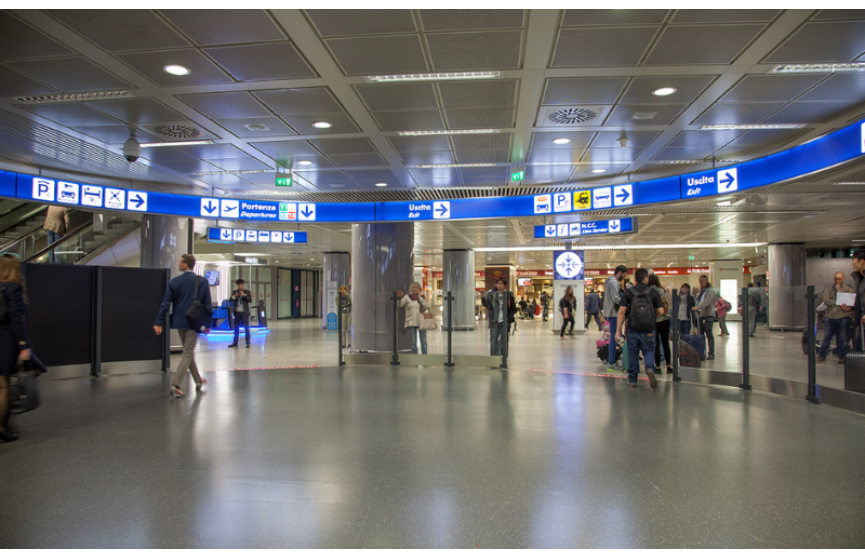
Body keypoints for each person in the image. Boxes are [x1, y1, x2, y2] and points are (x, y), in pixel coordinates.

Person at [154, 254, 212, 398]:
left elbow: (165, 304)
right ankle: (176, 385)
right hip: (194, 322)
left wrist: (158, 322)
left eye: (180, 262)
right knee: (188, 351)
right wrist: (207, 325)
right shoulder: (202, 282)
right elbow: (208, 305)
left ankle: (198, 381)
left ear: (186, 265)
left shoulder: (174, 282)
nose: (179, 264)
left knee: (188, 351)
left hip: (180, 322)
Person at [0, 255, 32, 443]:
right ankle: (2, 427)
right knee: (3, 386)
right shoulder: (14, 288)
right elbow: (17, 320)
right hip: (5, 341)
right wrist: (23, 346)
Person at [616, 268, 665, 388]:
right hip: (648, 328)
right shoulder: (653, 292)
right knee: (648, 350)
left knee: (633, 353)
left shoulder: (629, 292)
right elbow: (661, 311)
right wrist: (653, 317)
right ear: (645, 278)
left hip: (632, 327)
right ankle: (649, 368)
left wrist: (618, 330)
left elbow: (622, 311)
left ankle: (632, 380)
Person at [819, 271, 854, 364]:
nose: (837, 281)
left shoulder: (848, 290)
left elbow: (850, 302)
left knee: (842, 337)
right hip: (830, 318)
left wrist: (840, 296)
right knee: (827, 337)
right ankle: (822, 355)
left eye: (839, 279)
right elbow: (826, 301)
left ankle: (841, 356)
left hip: (843, 317)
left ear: (843, 279)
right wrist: (839, 301)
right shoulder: (829, 290)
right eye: (836, 279)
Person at [604, 265, 628, 371]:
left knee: (614, 338)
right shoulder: (614, 283)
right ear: (620, 272)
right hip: (614, 314)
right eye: (624, 274)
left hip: (611, 313)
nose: (624, 277)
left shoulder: (609, 282)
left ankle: (612, 360)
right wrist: (626, 302)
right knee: (614, 338)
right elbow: (616, 298)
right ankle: (612, 363)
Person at [648, 274, 673, 374]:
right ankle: (669, 367)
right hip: (665, 319)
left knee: (656, 345)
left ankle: (657, 367)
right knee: (665, 344)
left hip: (654, 320)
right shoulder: (661, 290)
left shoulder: (648, 291)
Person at [397, 282, 430, 355]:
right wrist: (399, 298)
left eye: (416, 287)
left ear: (419, 289)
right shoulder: (407, 297)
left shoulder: (422, 297)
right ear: (411, 289)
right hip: (411, 322)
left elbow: (426, 306)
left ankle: (425, 356)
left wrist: (419, 298)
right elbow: (399, 304)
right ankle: (414, 357)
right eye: (413, 287)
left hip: (421, 322)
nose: (415, 289)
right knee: (413, 342)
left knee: (424, 342)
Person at [692, 275, 718, 360]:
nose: (701, 283)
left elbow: (707, 301)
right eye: (700, 281)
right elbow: (699, 301)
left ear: (706, 281)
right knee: (701, 334)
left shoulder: (711, 290)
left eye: (702, 281)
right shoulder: (702, 290)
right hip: (700, 315)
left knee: (709, 333)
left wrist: (698, 307)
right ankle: (701, 352)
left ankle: (711, 353)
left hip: (708, 315)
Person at [487, 278, 516, 356]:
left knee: (503, 342)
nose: (499, 286)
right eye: (497, 284)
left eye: (501, 284)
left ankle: (503, 359)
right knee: (493, 342)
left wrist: (508, 317)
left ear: (505, 285)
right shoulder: (492, 295)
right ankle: (493, 359)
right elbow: (488, 306)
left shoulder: (509, 296)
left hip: (505, 322)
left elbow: (514, 309)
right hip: (494, 321)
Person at [228, 279, 252, 348]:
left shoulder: (247, 292)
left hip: (244, 312)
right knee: (236, 328)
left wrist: (244, 295)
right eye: (238, 285)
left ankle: (248, 343)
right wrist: (234, 296)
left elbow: (250, 300)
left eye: (241, 285)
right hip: (237, 312)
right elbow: (230, 300)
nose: (239, 286)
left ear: (242, 285)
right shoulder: (235, 292)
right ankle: (235, 343)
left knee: (246, 328)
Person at [852, 250, 865, 351]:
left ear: (862, 261)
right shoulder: (860, 279)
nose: (853, 263)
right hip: (861, 321)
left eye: (854, 260)